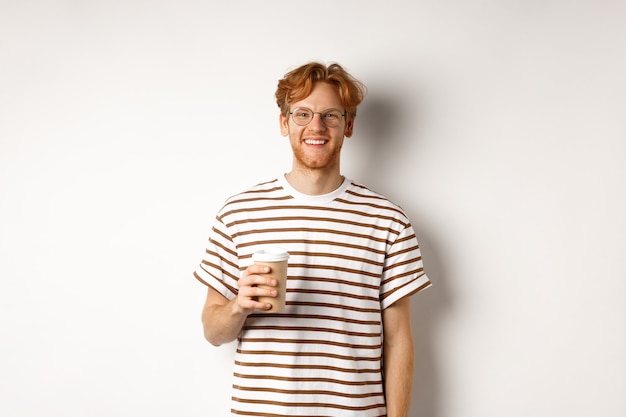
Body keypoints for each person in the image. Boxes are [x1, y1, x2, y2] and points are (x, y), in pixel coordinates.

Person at [194, 62, 431, 417]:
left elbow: (399, 341)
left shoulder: (388, 220)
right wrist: (238, 306)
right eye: (302, 113)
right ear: (284, 123)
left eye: (330, 115)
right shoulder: (238, 213)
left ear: (348, 125)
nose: (316, 126)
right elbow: (213, 332)